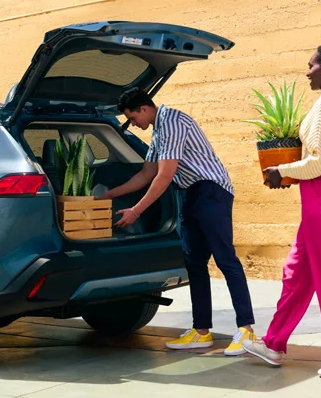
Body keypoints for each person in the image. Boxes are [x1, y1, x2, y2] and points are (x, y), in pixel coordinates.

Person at [242, 45, 321, 381]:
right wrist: (297, 176)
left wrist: (280, 170)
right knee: (298, 271)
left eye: (311, 65)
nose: (307, 71)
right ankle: (273, 343)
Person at [97, 87, 256, 355]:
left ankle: (247, 329)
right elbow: (147, 174)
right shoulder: (157, 130)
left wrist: (135, 211)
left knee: (225, 258)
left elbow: (164, 176)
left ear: (144, 109)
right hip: (189, 194)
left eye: (132, 118)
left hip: (211, 191)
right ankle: (201, 331)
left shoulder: (171, 121)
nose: (134, 125)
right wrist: (110, 194)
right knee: (194, 264)